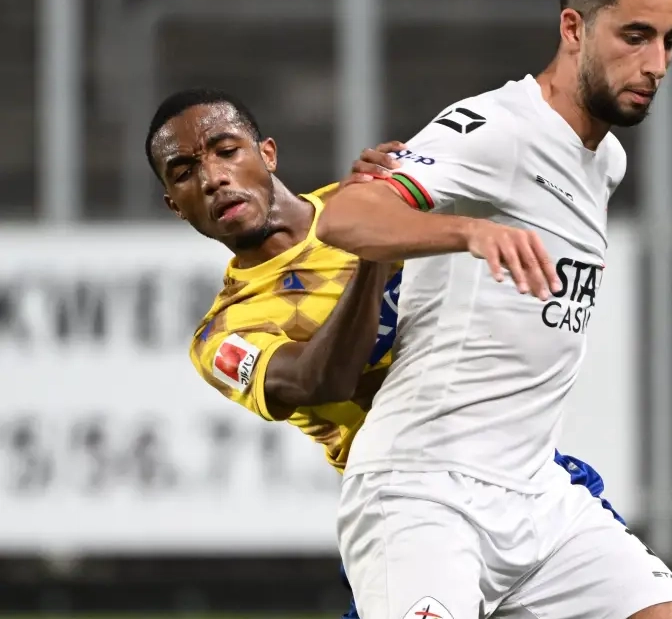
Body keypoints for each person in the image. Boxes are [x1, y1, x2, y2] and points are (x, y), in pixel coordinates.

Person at [144, 88, 630, 619]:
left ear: (268, 153)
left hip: (514, 472)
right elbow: (316, 381)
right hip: (410, 506)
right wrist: (374, 252)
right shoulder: (226, 333)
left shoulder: (368, 199)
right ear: (175, 205)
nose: (213, 178)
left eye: (226, 150)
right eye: (184, 172)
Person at [314, 0, 672, 618]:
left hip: (537, 497)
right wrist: (469, 230)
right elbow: (345, 217)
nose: (656, 64)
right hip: (424, 491)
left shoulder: (606, 160)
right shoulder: (499, 127)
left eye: (669, 42)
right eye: (635, 37)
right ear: (573, 28)